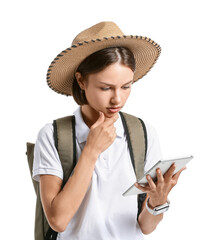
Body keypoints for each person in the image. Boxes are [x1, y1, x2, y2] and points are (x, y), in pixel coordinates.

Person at [33, 21, 186, 239]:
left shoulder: (142, 133)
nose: (118, 99)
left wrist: (157, 201)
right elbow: (58, 221)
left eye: (126, 86)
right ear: (81, 80)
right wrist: (91, 150)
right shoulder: (52, 135)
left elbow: (146, 227)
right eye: (106, 88)